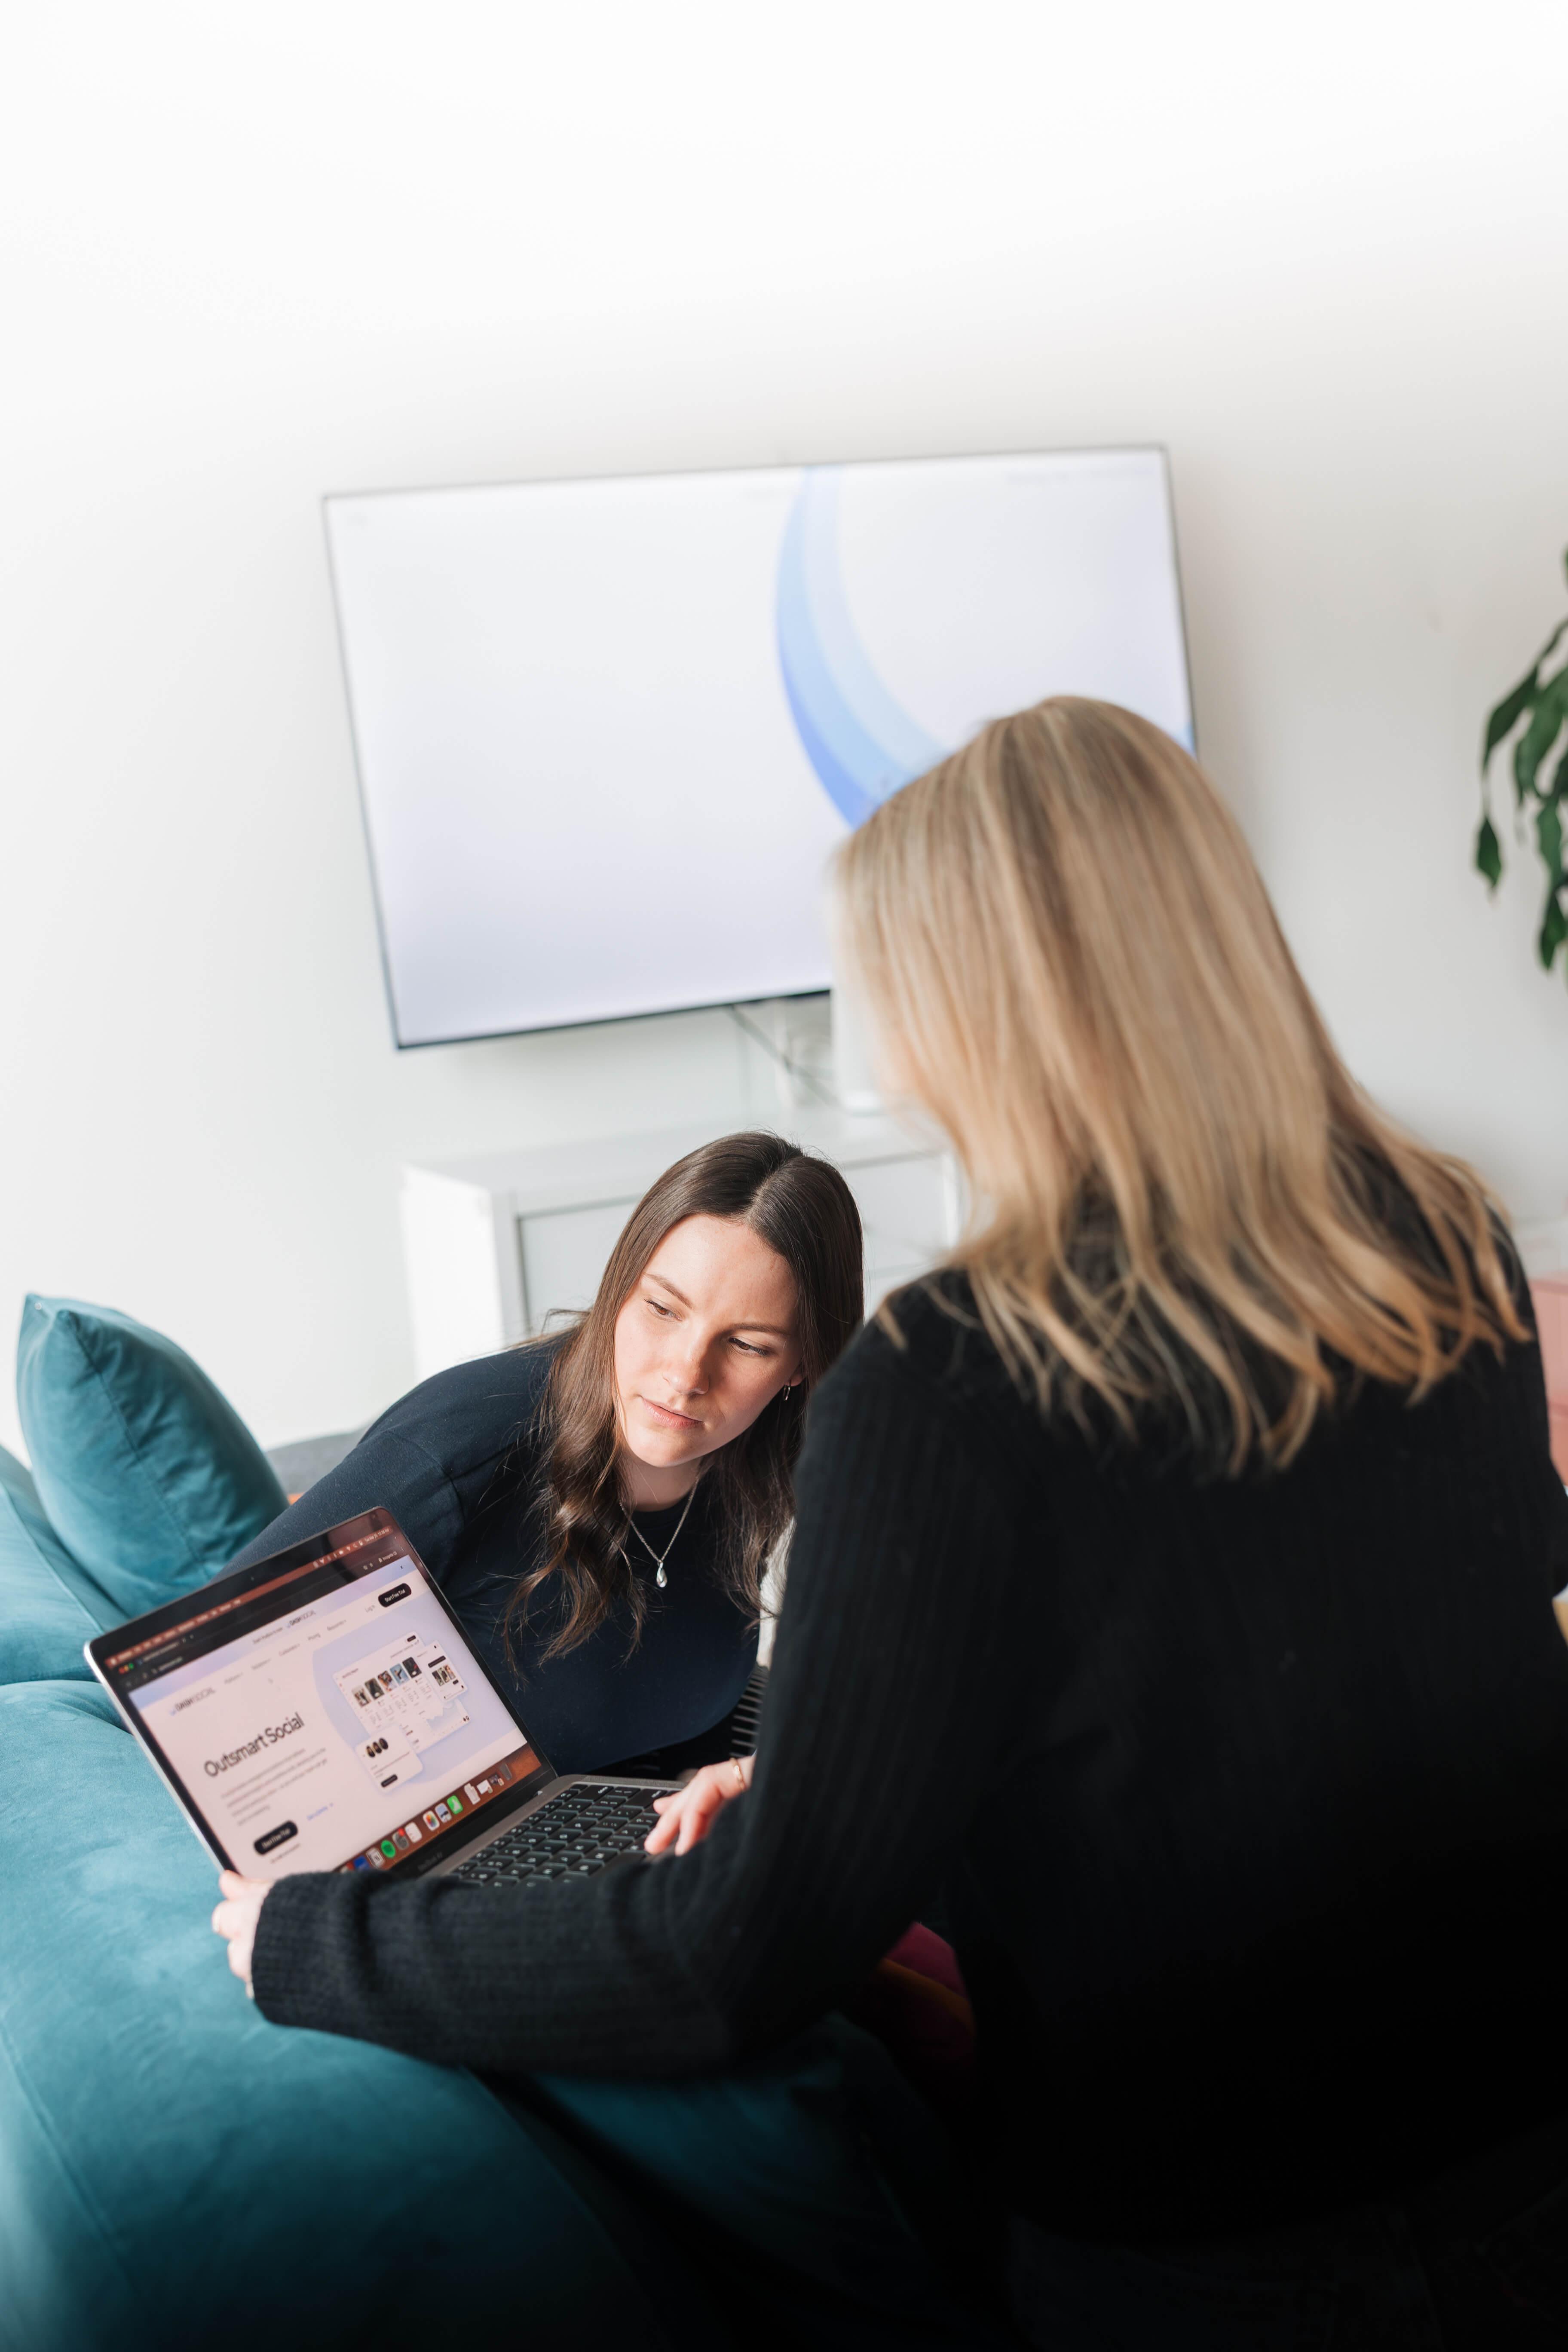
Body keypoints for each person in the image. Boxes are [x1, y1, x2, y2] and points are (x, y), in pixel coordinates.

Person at [219, 700, 1568, 2346]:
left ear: (970, 1006)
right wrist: (850, 1758)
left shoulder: (949, 1386)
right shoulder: (1443, 1240)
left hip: (1209, 2236)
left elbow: (739, 1959)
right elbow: (1276, 1682)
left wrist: (320, 1941)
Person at [224, 1131, 863, 1779]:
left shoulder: (753, 1455)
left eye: (749, 1345)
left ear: (799, 1369)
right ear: (619, 1292)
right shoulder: (459, 1451)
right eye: (663, 1309)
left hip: (628, 1836)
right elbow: (209, 1665)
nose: (687, 1374)